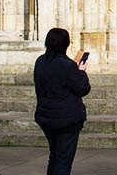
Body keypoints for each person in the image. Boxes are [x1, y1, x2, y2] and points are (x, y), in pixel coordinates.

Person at [33, 27, 91, 175]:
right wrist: (81, 72)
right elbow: (83, 89)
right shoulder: (68, 66)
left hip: (46, 116)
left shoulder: (40, 62)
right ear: (65, 44)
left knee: (55, 156)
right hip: (66, 119)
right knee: (63, 159)